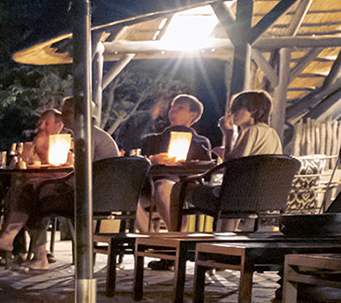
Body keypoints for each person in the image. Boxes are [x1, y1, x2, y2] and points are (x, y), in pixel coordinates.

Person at [0, 98, 118, 267]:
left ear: (81, 114)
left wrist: (54, 184)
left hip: (91, 199)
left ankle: (31, 252)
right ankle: (25, 249)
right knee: (32, 191)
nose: (62, 116)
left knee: (33, 194)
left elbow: (81, 175)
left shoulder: (86, 136)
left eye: (66, 112)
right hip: (97, 195)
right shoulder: (91, 134)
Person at [180, 90, 285, 222]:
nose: (232, 113)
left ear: (253, 110)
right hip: (263, 198)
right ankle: (225, 233)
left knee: (181, 188)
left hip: (239, 199)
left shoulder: (251, 131)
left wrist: (228, 134)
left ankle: (174, 231)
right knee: (234, 190)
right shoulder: (272, 134)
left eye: (237, 108)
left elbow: (231, 169)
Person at [141, 93, 213, 231]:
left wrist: (191, 165)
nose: (173, 111)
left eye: (180, 108)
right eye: (172, 107)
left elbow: (206, 171)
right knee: (131, 193)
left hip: (181, 187)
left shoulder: (200, 142)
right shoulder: (153, 140)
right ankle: (154, 237)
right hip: (149, 187)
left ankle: (175, 233)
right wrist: (153, 159)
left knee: (163, 187)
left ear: (193, 115)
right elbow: (139, 162)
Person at [113, 90, 172, 156]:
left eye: (166, 104)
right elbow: (122, 137)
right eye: (162, 104)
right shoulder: (137, 119)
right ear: (154, 103)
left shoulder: (163, 123)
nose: (164, 107)